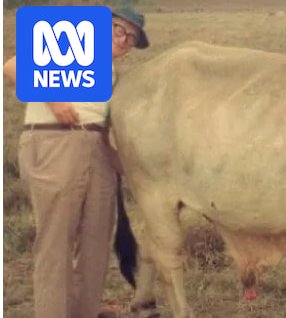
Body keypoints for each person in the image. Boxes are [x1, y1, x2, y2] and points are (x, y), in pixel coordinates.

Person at [3, 7, 149, 318]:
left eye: (132, 38)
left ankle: (85, 311)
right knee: (56, 240)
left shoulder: (110, 74)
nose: (125, 40)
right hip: (56, 140)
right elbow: (12, 67)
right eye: (120, 30)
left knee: (96, 241)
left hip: (96, 150)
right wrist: (55, 100)